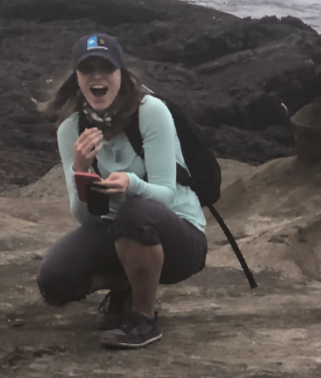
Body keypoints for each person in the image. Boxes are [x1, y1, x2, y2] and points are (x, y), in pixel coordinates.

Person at [36, 33, 207, 349]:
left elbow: (166, 194)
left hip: (180, 235)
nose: (97, 76)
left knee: (135, 212)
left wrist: (133, 185)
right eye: (88, 69)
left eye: (106, 67)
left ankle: (143, 317)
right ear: (77, 79)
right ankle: (130, 283)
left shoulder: (150, 112)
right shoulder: (70, 131)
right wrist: (81, 171)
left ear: (121, 74)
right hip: (117, 231)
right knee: (55, 282)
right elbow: (85, 218)